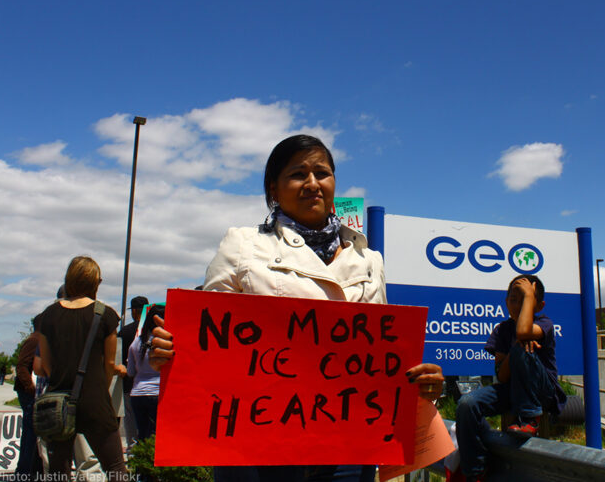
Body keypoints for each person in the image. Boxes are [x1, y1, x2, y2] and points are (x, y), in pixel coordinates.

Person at [150, 134, 444, 482]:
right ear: (273, 189)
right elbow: (208, 347)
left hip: (349, 448)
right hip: (256, 446)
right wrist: (173, 350)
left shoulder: (369, 259)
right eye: (297, 174)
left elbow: (381, 356)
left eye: (322, 172)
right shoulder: (242, 245)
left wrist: (419, 381)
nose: (312, 184)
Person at [455, 274, 566, 482]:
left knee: (523, 343)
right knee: (466, 404)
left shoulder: (544, 323)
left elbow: (524, 330)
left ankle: (529, 417)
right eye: (513, 300)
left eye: (523, 300)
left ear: (538, 305)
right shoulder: (502, 330)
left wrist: (521, 342)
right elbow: (502, 375)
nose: (516, 305)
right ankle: (475, 470)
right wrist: (516, 348)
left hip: (543, 392)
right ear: (506, 302)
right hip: (511, 389)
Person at [36, 256, 129, 481]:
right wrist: (99, 388)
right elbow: (108, 365)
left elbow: (46, 366)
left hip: (57, 400)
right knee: (116, 467)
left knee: (59, 471)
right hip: (95, 399)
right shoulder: (105, 315)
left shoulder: (46, 316)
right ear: (94, 282)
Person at [127, 304, 164, 442]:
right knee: (158, 437)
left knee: (142, 435)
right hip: (159, 393)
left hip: (137, 394)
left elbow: (130, 372)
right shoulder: (167, 342)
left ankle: (141, 461)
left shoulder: (136, 343)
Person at [14, 316, 42, 478]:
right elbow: (22, 365)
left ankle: (29, 470)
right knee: (31, 433)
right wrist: (30, 388)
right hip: (28, 393)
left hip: (29, 392)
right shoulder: (35, 340)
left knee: (32, 433)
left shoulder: (36, 339)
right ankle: (25, 471)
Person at [118, 295, 148, 446]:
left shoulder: (125, 331)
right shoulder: (157, 330)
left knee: (131, 422)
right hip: (154, 387)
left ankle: (133, 453)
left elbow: (120, 358)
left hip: (130, 385)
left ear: (135, 311)